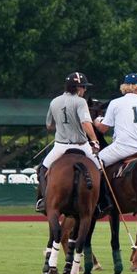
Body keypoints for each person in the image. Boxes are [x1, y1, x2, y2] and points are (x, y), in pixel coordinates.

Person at [36, 71, 101, 214]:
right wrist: (94, 140)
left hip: (60, 147)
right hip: (82, 146)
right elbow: (85, 123)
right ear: (78, 88)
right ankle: (101, 202)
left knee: (42, 169)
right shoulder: (80, 101)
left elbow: (49, 126)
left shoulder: (54, 101)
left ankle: (43, 200)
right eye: (84, 87)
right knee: (99, 169)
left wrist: (63, 126)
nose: (84, 90)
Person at [95, 74, 137, 206]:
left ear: (124, 86)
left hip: (121, 149)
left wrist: (96, 121)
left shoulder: (115, 103)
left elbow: (103, 129)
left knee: (94, 162)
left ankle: (99, 200)